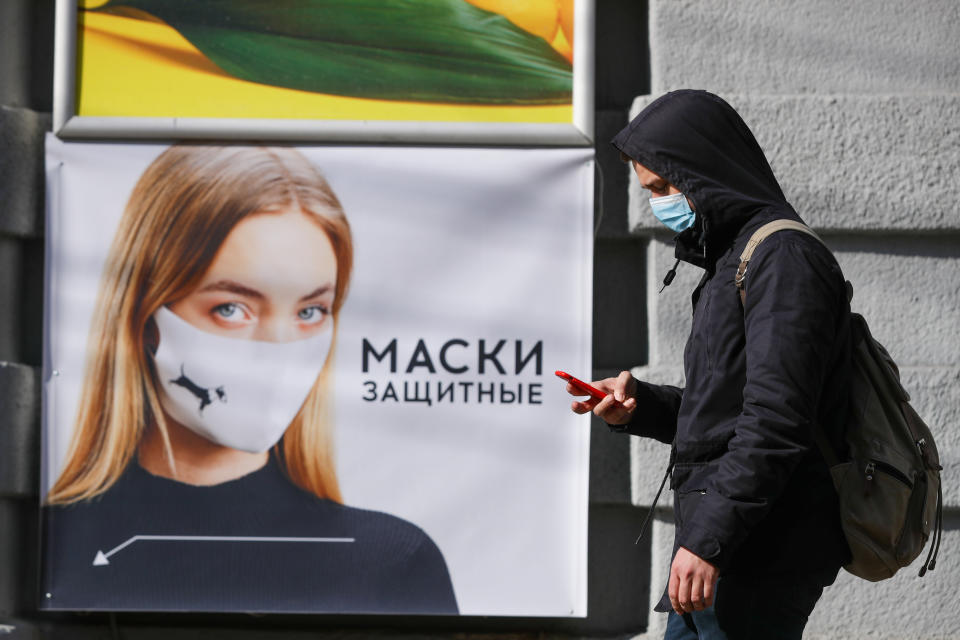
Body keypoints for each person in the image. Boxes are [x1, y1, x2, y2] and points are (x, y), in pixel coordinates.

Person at [43, 145, 458, 614]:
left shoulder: (390, 561)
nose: (279, 349)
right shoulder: (43, 545)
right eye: (231, 308)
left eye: (310, 311)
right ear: (146, 319)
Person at [567, 90, 851, 639]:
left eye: (665, 187)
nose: (659, 203)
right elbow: (725, 414)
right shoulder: (731, 259)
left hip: (755, 549)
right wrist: (638, 408)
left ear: (705, 171)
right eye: (650, 190)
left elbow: (776, 423)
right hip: (724, 544)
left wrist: (709, 541)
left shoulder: (781, 259)